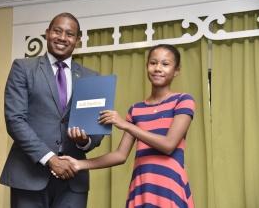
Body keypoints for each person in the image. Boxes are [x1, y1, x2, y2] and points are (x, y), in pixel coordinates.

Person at [61, 44, 195, 208]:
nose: (158, 68)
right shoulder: (136, 109)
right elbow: (120, 155)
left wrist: (126, 125)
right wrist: (79, 164)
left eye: (165, 64)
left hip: (169, 185)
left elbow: (168, 145)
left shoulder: (183, 101)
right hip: (141, 185)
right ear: (147, 67)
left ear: (176, 71)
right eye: (153, 63)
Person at [0, 12, 104, 208]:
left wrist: (85, 141)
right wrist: (50, 159)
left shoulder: (91, 77)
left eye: (70, 34)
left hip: (74, 179)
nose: (63, 38)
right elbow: (15, 120)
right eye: (57, 31)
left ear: (78, 40)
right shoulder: (23, 68)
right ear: (47, 33)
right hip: (29, 174)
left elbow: (95, 131)